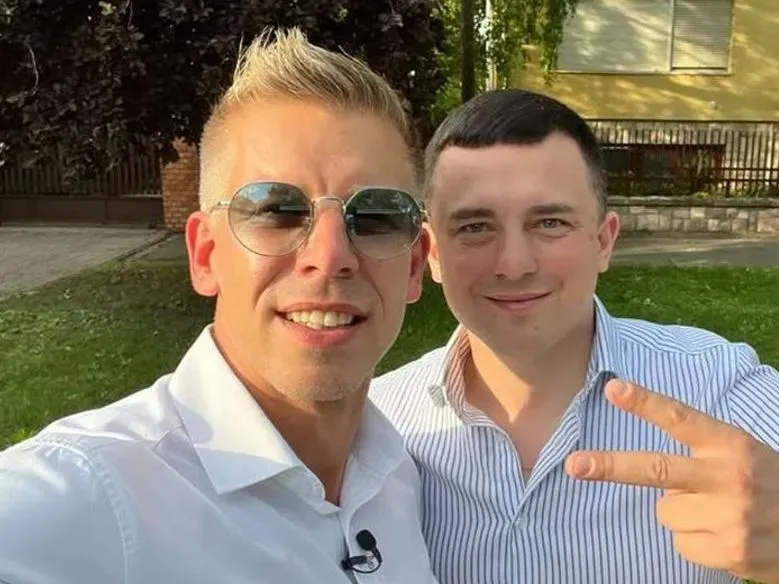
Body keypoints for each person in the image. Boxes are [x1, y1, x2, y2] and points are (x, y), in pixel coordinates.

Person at [0, 29, 438, 583]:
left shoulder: (402, 477)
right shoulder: (91, 495)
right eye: (277, 210)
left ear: (415, 265)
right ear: (205, 255)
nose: (329, 257)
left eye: (375, 216)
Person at [369, 88, 779, 584]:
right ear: (432, 252)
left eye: (550, 222)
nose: (514, 264)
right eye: (475, 227)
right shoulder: (375, 426)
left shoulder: (713, 387)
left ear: (604, 241)